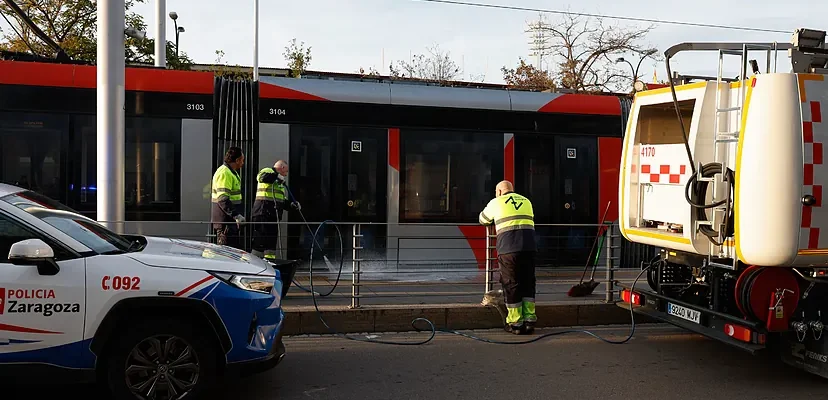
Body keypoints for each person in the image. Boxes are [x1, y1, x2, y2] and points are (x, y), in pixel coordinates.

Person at [478, 180, 537, 334]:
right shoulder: (526, 201)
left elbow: (483, 220)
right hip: (530, 248)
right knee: (528, 282)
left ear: (498, 192)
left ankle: (515, 323)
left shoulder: (496, 202)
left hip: (509, 249)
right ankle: (530, 320)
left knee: (511, 284)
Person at [251, 160, 301, 260]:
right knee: (260, 242)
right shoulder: (267, 171)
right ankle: (255, 264)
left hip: (273, 215)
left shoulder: (280, 183)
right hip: (262, 213)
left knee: (271, 244)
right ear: (281, 168)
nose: (286, 175)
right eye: (286, 172)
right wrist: (277, 176)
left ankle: (270, 264)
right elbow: (261, 178)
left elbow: (280, 201)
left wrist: (292, 205)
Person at [211, 147, 246, 249]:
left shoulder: (230, 172)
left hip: (228, 222)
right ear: (237, 160)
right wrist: (237, 216)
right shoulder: (225, 173)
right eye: (242, 160)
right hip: (226, 223)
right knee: (227, 254)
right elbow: (222, 199)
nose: (243, 163)